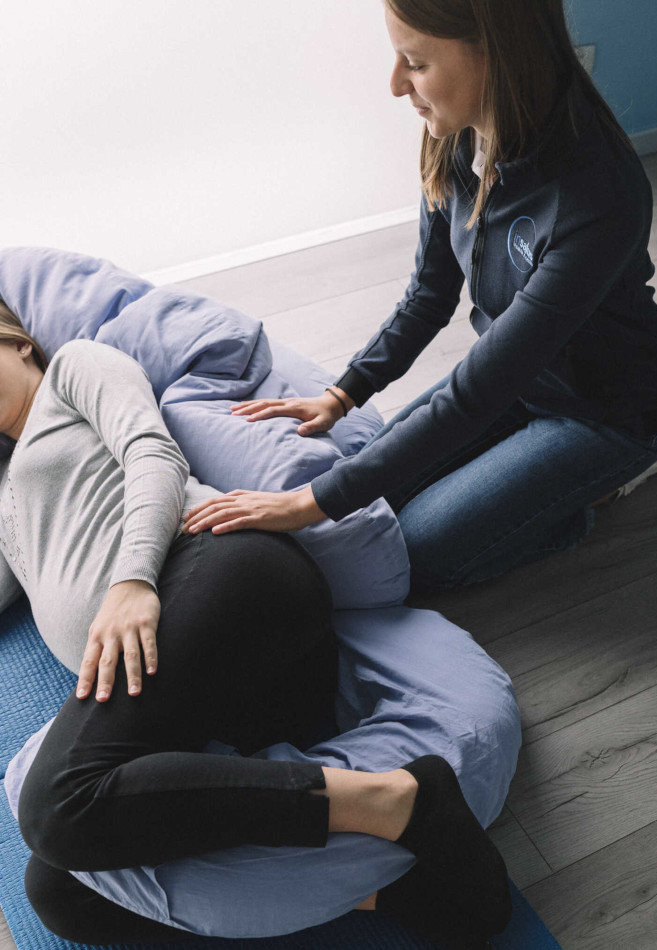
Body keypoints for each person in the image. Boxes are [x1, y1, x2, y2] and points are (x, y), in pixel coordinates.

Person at [0, 304, 511, 950]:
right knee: (59, 890)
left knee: (55, 803)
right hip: (185, 693)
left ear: (16, 341)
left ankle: (400, 800)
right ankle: (380, 893)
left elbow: (152, 454)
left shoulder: (74, 368)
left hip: (221, 576)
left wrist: (132, 580)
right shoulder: (4, 486)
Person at [181, 0, 657, 592]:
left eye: (415, 63)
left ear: (497, 55)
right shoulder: (455, 136)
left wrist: (307, 504)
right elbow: (429, 294)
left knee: (416, 553)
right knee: (376, 506)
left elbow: (475, 392)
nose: (395, 85)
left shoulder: (598, 195)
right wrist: (343, 393)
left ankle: (593, 495)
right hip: (520, 382)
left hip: (609, 413)